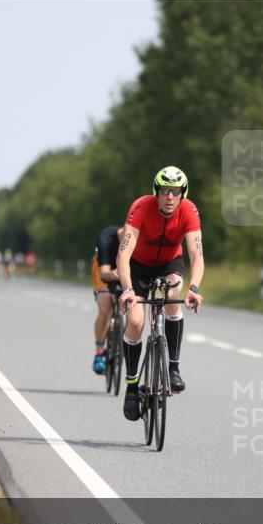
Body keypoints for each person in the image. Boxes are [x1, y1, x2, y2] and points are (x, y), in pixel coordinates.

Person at [117, 166, 204, 421]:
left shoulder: (189, 210)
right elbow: (123, 252)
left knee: (173, 292)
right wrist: (128, 290)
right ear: (157, 192)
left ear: (182, 194)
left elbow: (196, 255)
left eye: (175, 192)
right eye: (165, 191)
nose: (169, 197)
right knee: (135, 322)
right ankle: (132, 387)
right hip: (138, 267)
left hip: (169, 264)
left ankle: (173, 368)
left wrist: (194, 288)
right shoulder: (141, 207)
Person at [91, 225, 125, 374]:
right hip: (104, 269)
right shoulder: (107, 238)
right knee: (105, 306)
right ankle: (99, 352)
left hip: (123, 271)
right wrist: (120, 274)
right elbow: (105, 274)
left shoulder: (139, 241)